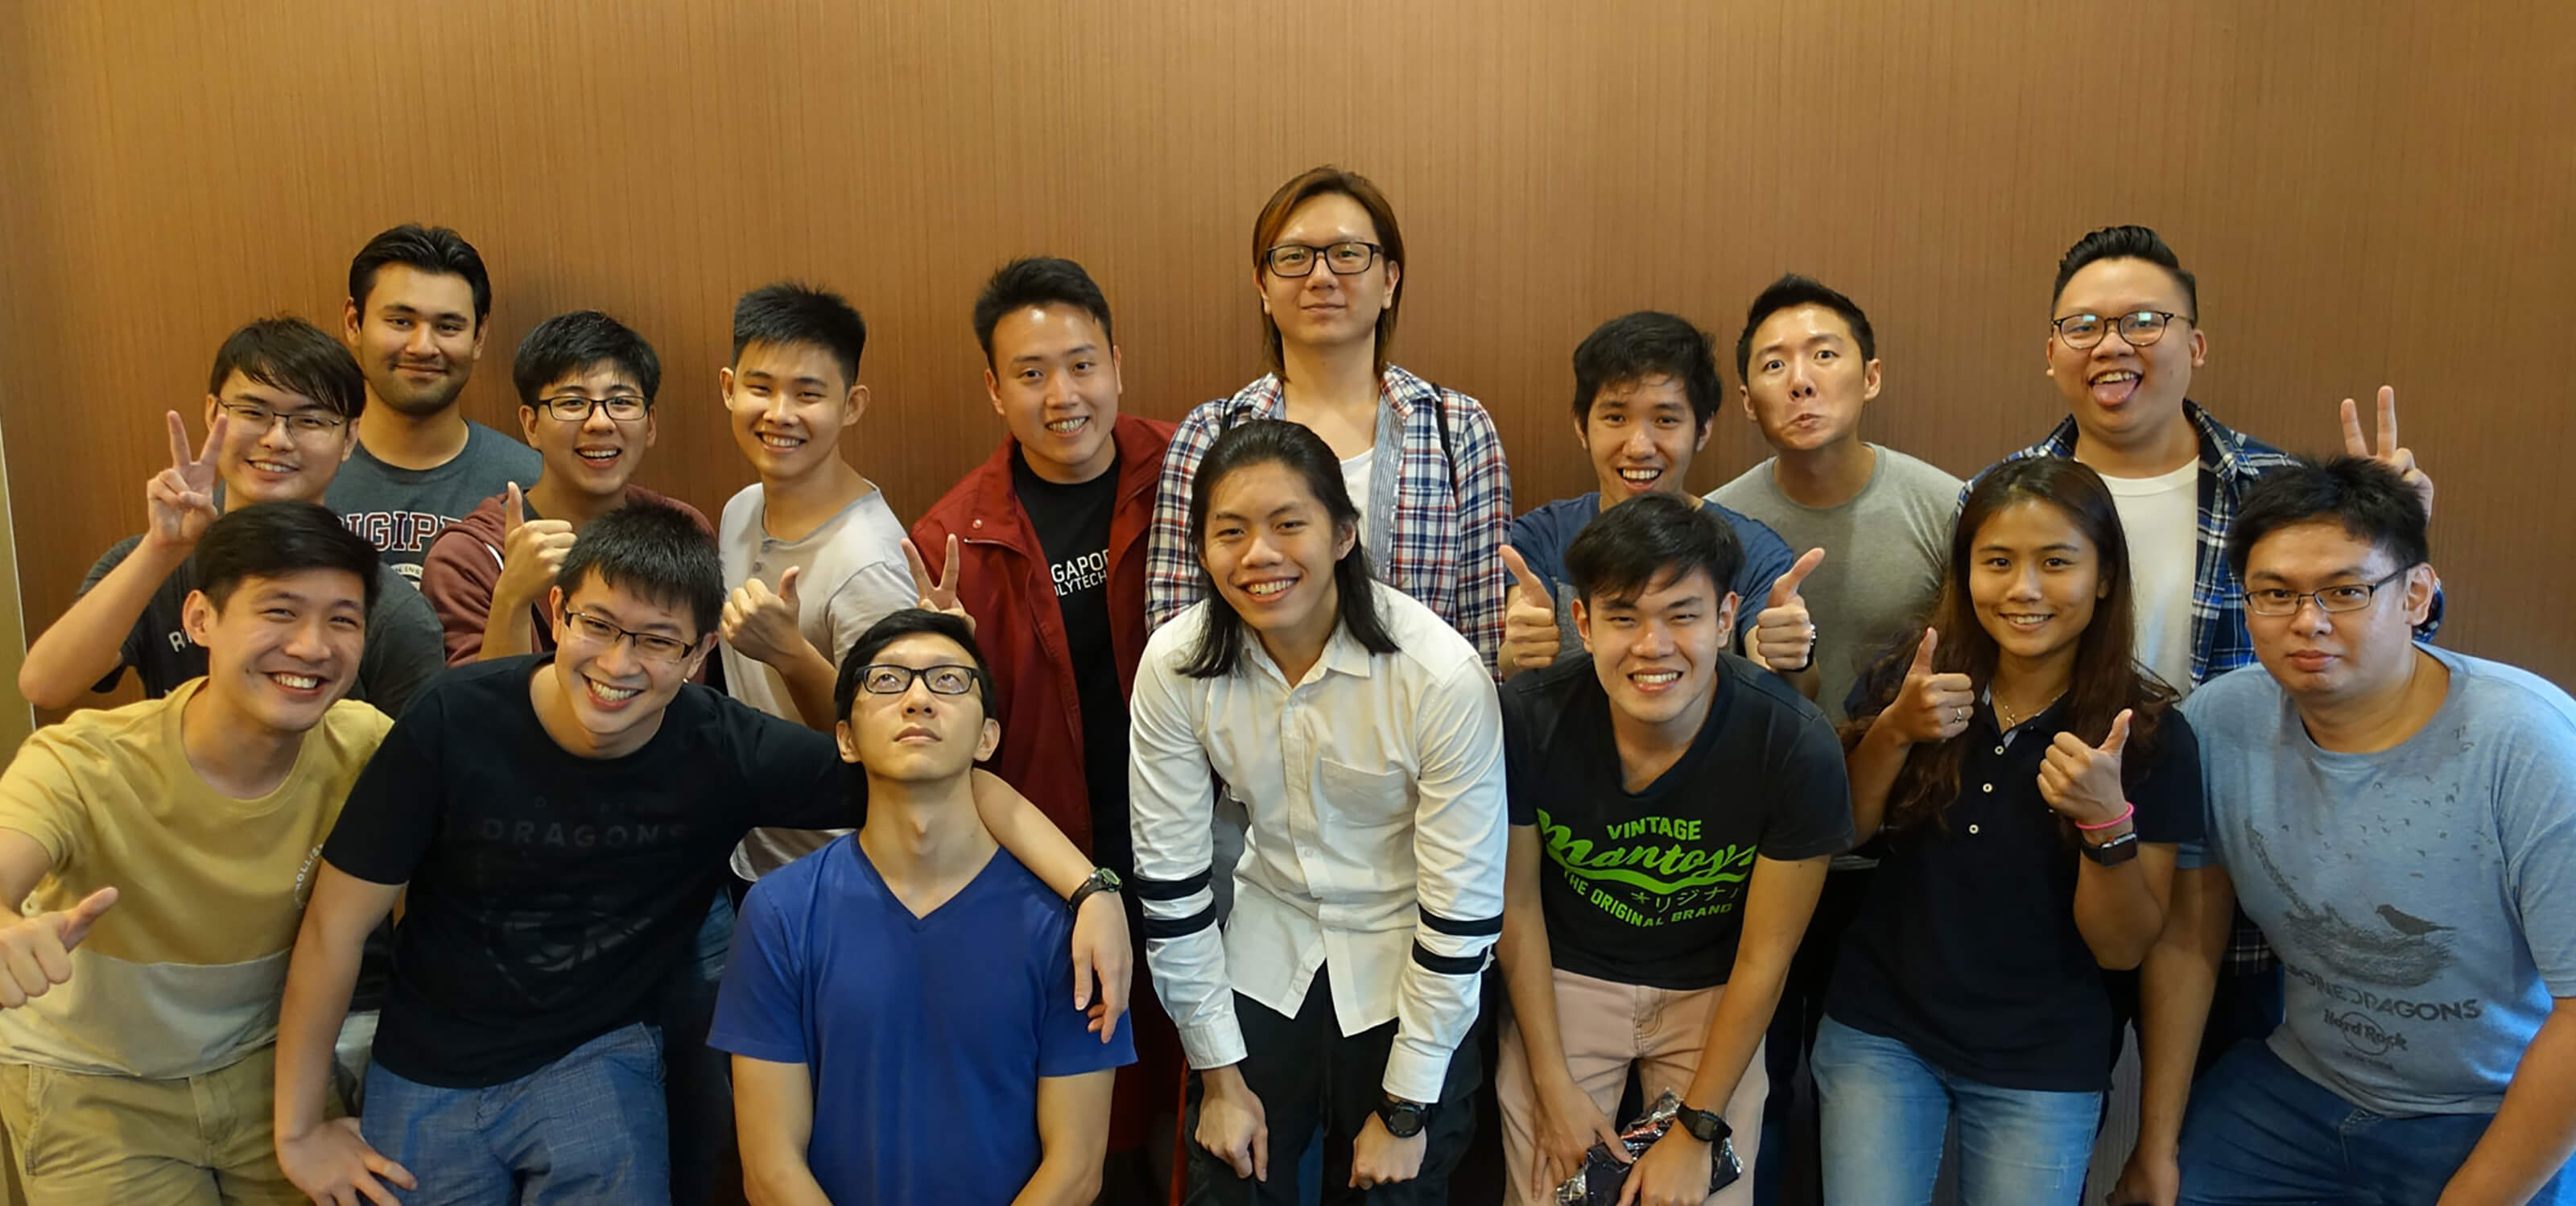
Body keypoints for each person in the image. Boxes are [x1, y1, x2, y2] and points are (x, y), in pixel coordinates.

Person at [269, 503, 1133, 1206]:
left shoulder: (723, 747)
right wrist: (300, 1128)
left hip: (597, 1059)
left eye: (655, 642)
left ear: (698, 656)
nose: (618, 664)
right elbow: (336, 929)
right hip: (430, 1066)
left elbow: (936, 777)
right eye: (596, 625)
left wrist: (1090, 891)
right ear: (557, 614)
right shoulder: (453, 718)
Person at [1988, 225, 2441, 1180]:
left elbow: (2395, 664)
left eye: (2143, 319)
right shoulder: (2004, 499)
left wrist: (2397, 545)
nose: (2112, 344)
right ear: (2050, 352)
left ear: (2193, 344)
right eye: (2084, 325)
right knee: (2035, 1143)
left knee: (2194, 1156)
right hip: (2057, 870)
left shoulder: (2278, 491)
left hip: (2233, 888)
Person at [2120, 458, 2574, 1206]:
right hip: (2297, 1087)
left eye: (2347, 590)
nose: (2308, 621)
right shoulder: (2221, 722)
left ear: (2417, 596)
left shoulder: (2529, 744)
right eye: (2275, 593)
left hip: (2486, 1110)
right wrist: (2155, 1146)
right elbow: (2188, 932)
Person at [1130, 419, 1509, 1202]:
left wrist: (1404, 1109)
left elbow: (1462, 908)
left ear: (1341, 533)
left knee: (1398, 1188)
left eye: (1287, 524)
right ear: (1200, 548)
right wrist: (1219, 1079)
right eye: (1228, 531)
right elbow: (1170, 883)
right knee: (1226, 1177)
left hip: (1412, 964)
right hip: (1271, 947)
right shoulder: (1176, 663)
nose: (1258, 555)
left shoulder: (1437, 675)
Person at [1814, 457, 2201, 1204]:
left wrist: (2105, 821)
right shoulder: (1913, 678)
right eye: (1997, 562)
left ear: (2106, 576)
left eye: (2056, 563)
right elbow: (1841, 835)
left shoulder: (2149, 735)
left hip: (2044, 1060)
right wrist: (1894, 731)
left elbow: (2121, 947)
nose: (2023, 590)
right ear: (1965, 574)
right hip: (1881, 1032)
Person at [0, 502, 393, 1205]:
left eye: (343, 620)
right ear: (201, 620)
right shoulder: (85, 758)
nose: (311, 646)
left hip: (260, 1071)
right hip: (92, 1086)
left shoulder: (362, 747)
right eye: (279, 612)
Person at [906, 256, 1182, 1192]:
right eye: (1029, 373)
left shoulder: (1188, 474)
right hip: (1047, 873)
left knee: (1198, 1107)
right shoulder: (954, 536)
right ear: (993, 388)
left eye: (1080, 364)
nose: (1061, 394)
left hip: (1198, 856)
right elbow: (942, 745)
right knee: (1084, 1121)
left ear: (1116, 363)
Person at [1494, 492, 1851, 1206]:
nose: (1653, 647)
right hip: (1568, 975)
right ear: (1584, 624)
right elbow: (1517, 910)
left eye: (1682, 615)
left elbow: (1766, 955)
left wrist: (1698, 1129)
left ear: (1725, 620)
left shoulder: (1794, 742)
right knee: (1546, 1188)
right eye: (1624, 617)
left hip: (1713, 987)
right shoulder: (1527, 719)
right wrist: (1553, 1086)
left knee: (1701, 1193)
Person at [712, 609, 1136, 1204]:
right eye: (886, 682)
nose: (918, 699)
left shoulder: (1070, 930)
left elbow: (1076, 1168)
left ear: (988, 736)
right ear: (846, 739)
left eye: (948, 681)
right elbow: (772, 1168)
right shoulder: (779, 914)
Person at [1704, 276, 1959, 1203]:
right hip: (1756, 854)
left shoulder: (1944, 507)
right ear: (1745, 401)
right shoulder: (1715, 523)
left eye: (1823, 355)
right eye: (1773, 365)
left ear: (1871, 375)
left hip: (1904, 858)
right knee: (1755, 1096)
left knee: (1872, 1105)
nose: (1800, 380)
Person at [1144, 165, 1512, 672]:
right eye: (1294, 257)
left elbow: (1484, 635)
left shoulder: (1456, 427)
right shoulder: (1212, 433)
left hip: (1416, 740)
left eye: (1347, 254)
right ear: (1263, 287)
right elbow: (1176, 626)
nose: (1321, 277)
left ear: (1389, 280)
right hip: (1250, 738)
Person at [19, 317, 444, 719]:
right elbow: (45, 685)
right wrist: (161, 550)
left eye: (309, 420)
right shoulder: (151, 565)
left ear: (350, 437)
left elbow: (415, 771)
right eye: (253, 412)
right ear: (212, 414)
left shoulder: (388, 607)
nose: (277, 439)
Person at [713, 282, 918, 882]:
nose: (780, 414)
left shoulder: (869, 561)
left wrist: (791, 655)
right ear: (729, 389)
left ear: (852, 404)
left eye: (808, 393)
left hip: (843, 870)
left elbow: (891, 737)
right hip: (751, 852)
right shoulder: (739, 510)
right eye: (760, 388)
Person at [1501, 312, 1810, 696]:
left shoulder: (1754, 551)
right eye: (1615, 417)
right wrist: (1521, 649)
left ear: (1703, 429)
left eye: (1665, 420)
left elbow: (1785, 688)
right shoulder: (1541, 537)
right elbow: (1513, 660)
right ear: (1582, 426)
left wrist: (1789, 654)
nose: (1639, 448)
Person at [419, 310, 708, 663]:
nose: (599, 422)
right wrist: (512, 597)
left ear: (650, 425)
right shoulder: (470, 558)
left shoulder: (682, 530)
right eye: (572, 402)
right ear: (531, 425)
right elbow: (478, 711)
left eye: (621, 402)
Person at [324, 224, 542, 580]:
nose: (423, 346)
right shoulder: (292, 469)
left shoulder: (531, 485)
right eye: (400, 321)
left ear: (479, 336)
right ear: (354, 322)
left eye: (448, 327)